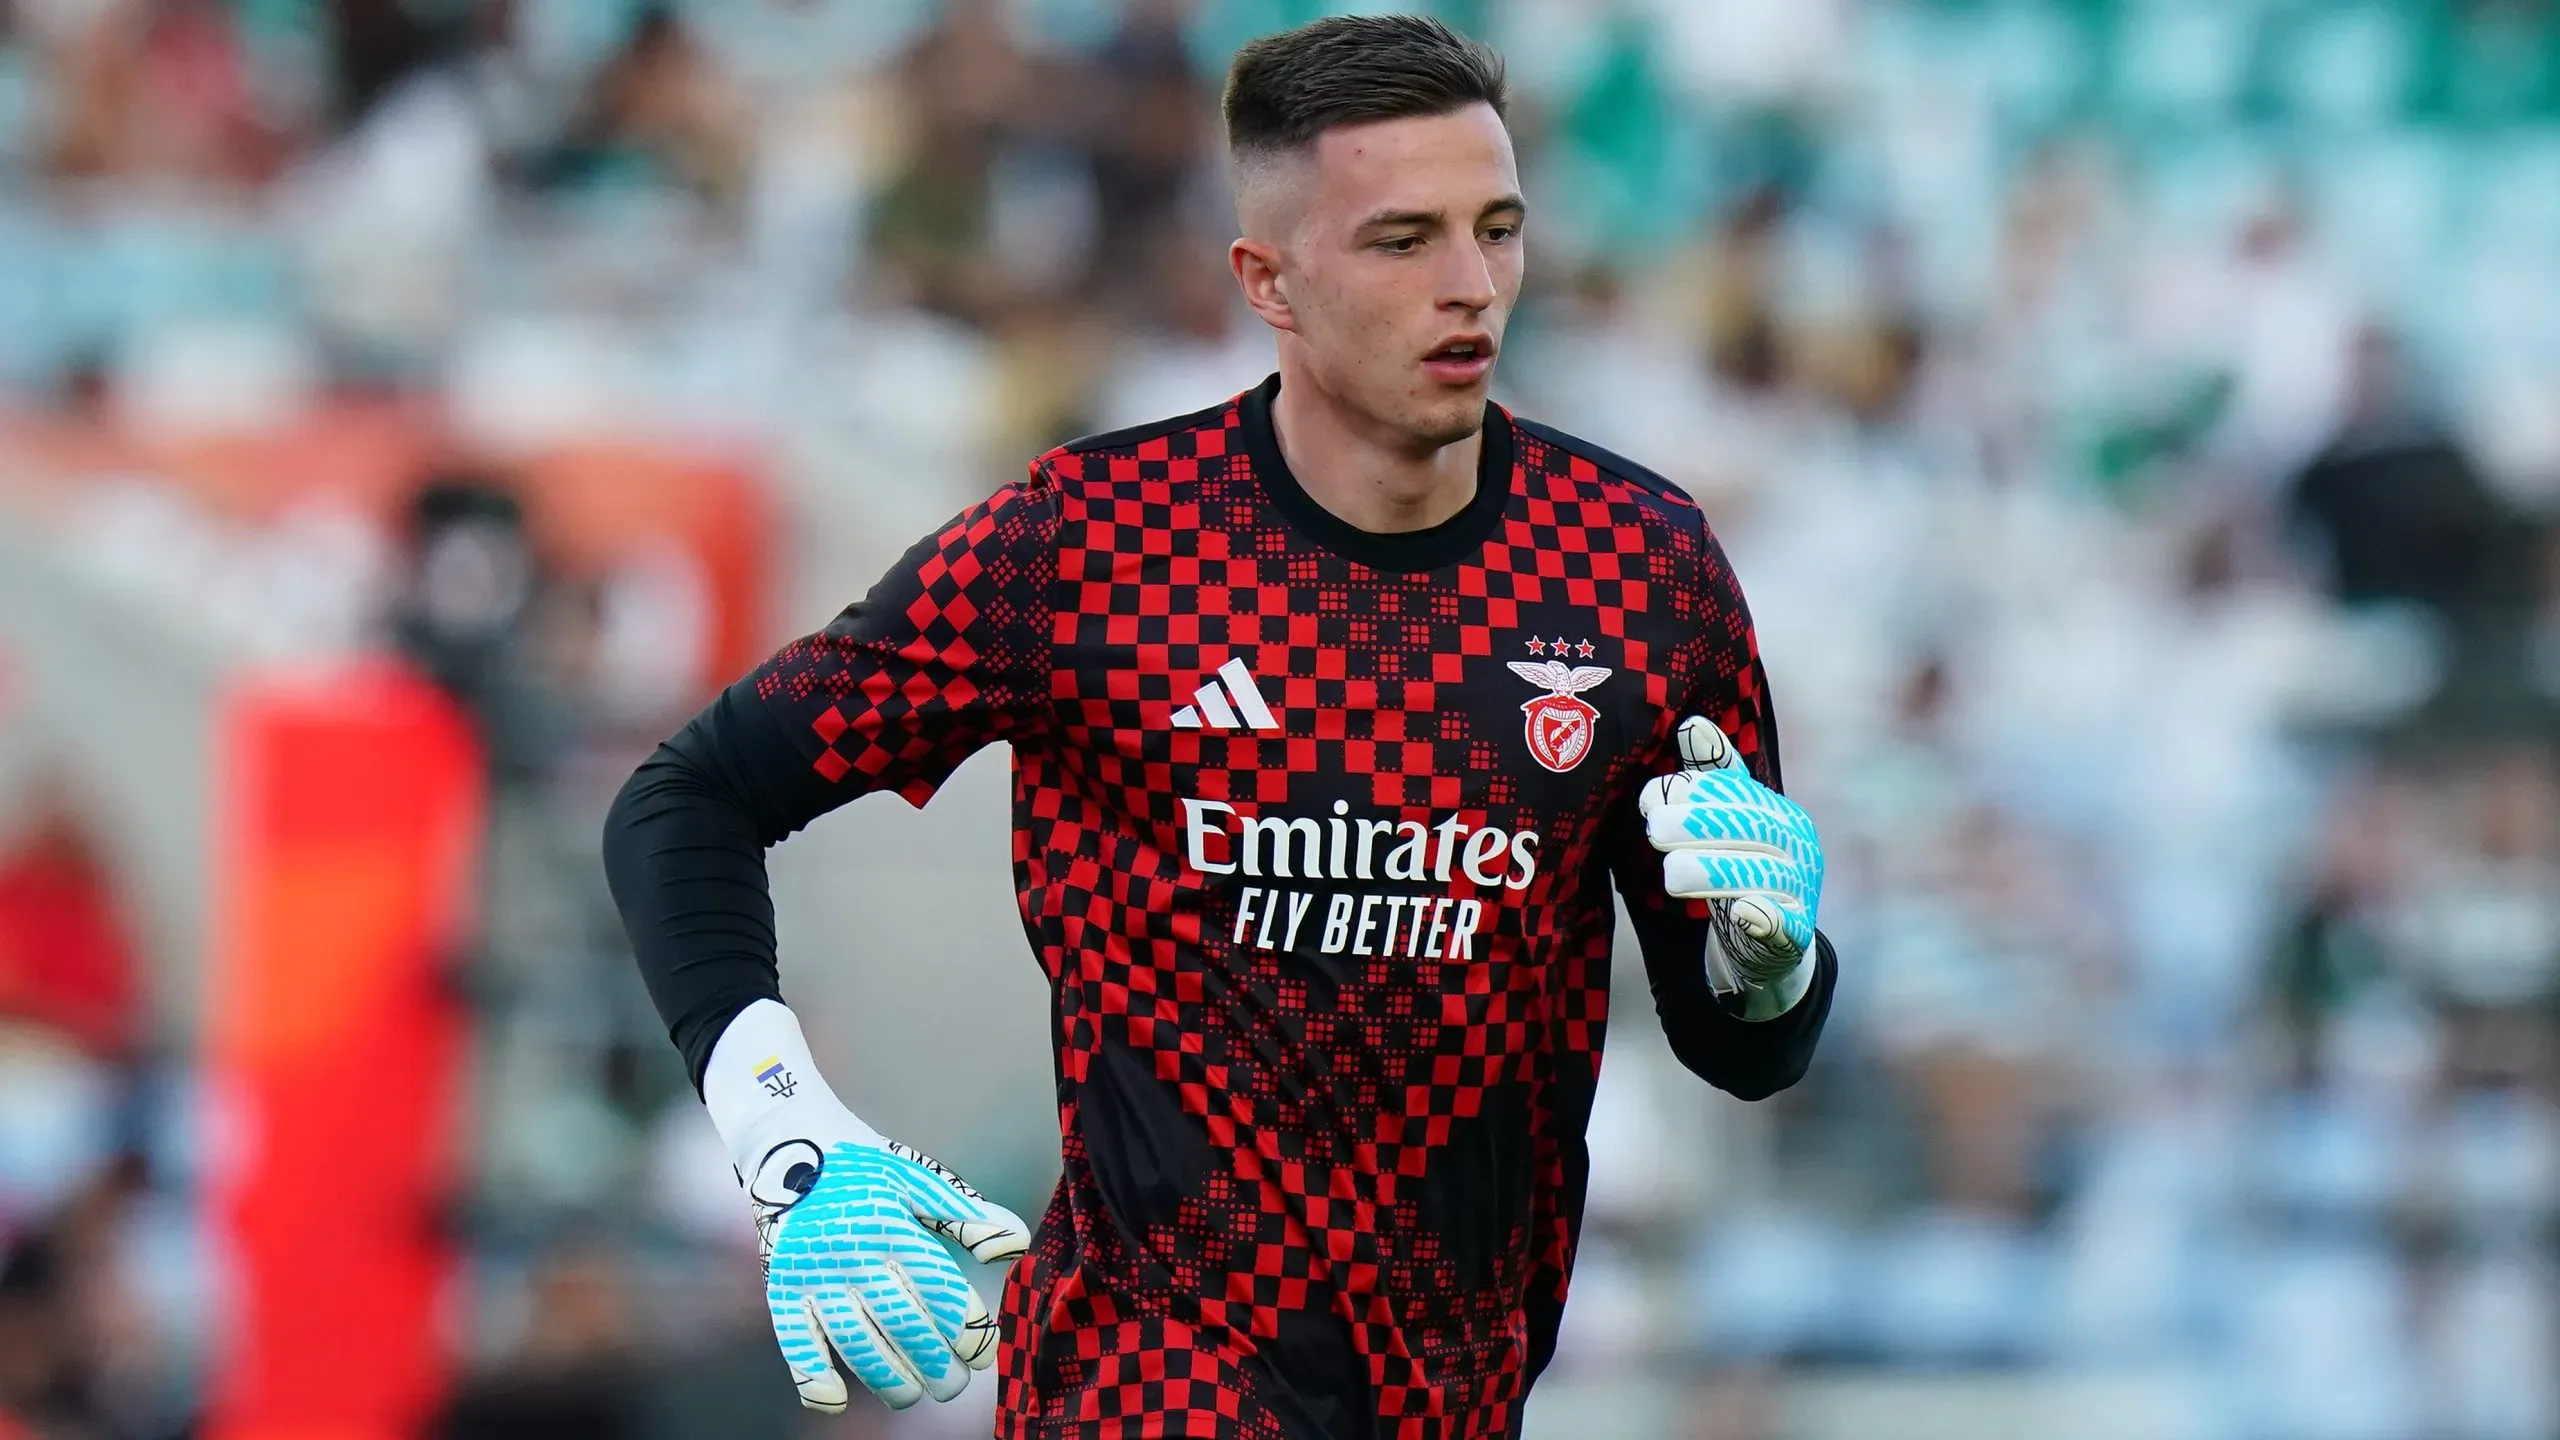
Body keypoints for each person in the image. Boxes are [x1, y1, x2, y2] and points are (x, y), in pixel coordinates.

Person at [602, 16, 1836, 1437]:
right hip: (1144, 1389)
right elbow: (688, 797)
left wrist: (1771, 965)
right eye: (1401, 240)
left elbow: (1742, 1044)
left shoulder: (1639, 572)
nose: (1470, 286)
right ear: (1269, 280)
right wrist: (785, 1132)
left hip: (1457, 1400)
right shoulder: (1091, 545)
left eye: (1497, 229)